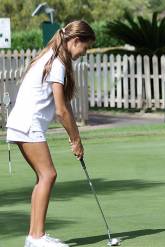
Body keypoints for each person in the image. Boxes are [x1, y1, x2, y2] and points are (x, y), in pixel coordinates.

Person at [6, 20, 95, 247]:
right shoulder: (57, 63)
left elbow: (65, 105)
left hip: (21, 123)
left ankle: (34, 236)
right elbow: (61, 111)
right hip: (28, 124)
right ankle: (37, 238)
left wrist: (76, 138)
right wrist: (75, 140)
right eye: (85, 48)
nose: (84, 53)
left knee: (43, 177)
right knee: (49, 175)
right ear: (75, 41)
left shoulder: (52, 56)